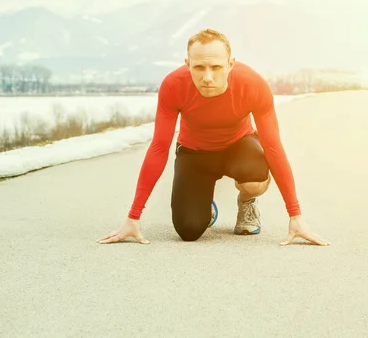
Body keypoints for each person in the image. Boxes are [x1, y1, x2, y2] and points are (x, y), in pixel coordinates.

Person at [97, 29, 330, 247]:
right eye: (199, 67)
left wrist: (295, 215)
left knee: (254, 177)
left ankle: (247, 202)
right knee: (188, 231)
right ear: (187, 65)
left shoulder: (253, 85)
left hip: (239, 147)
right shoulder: (173, 86)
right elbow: (159, 147)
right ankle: (203, 202)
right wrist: (133, 216)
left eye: (216, 67)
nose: (207, 77)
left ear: (230, 64)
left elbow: (273, 147)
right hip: (194, 152)